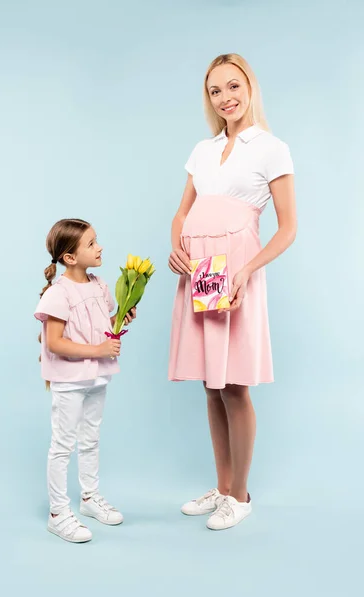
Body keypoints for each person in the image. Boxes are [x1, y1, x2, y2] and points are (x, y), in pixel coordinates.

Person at [168, 53, 297, 530]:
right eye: (215, 91)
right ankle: (222, 487)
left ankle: (239, 496)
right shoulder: (202, 150)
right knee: (211, 381)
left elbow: (288, 229)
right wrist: (175, 244)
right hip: (199, 271)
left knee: (235, 384)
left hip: (236, 269)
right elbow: (182, 212)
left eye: (233, 86)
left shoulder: (271, 148)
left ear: (250, 87)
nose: (225, 98)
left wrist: (247, 271)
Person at [34, 218, 136, 543]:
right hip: (69, 379)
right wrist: (99, 349)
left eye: (97, 241)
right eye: (91, 244)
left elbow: (95, 324)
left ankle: (89, 497)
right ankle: (57, 513)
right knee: (63, 445)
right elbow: (55, 342)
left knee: (90, 439)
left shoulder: (100, 285)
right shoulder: (58, 293)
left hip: (97, 376)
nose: (100, 247)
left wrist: (119, 318)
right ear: (70, 257)